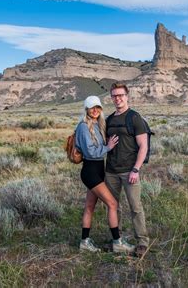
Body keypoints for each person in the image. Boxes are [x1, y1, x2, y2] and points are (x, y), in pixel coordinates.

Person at [75, 95, 135, 253]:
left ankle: (84, 242)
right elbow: (90, 152)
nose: (95, 110)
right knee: (113, 204)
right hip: (90, 172)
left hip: (98, 170)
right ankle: (117, 243)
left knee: (89, 207)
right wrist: (107, 147)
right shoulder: (83, 126)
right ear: (86, 109)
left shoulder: (98, 124)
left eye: (98, 107)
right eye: (92, 108)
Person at [105, 83, 149, 257]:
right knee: (113, 207)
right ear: (111, 97)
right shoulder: (109, 119)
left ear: (127, 96)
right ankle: (118, 239)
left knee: (135, 207)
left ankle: (142, 242)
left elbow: (143, 146)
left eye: (121, 95)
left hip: (129, 171)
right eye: (114, 96)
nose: (118, 98)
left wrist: (136, 169)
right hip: (111, 171)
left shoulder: (134, 118)